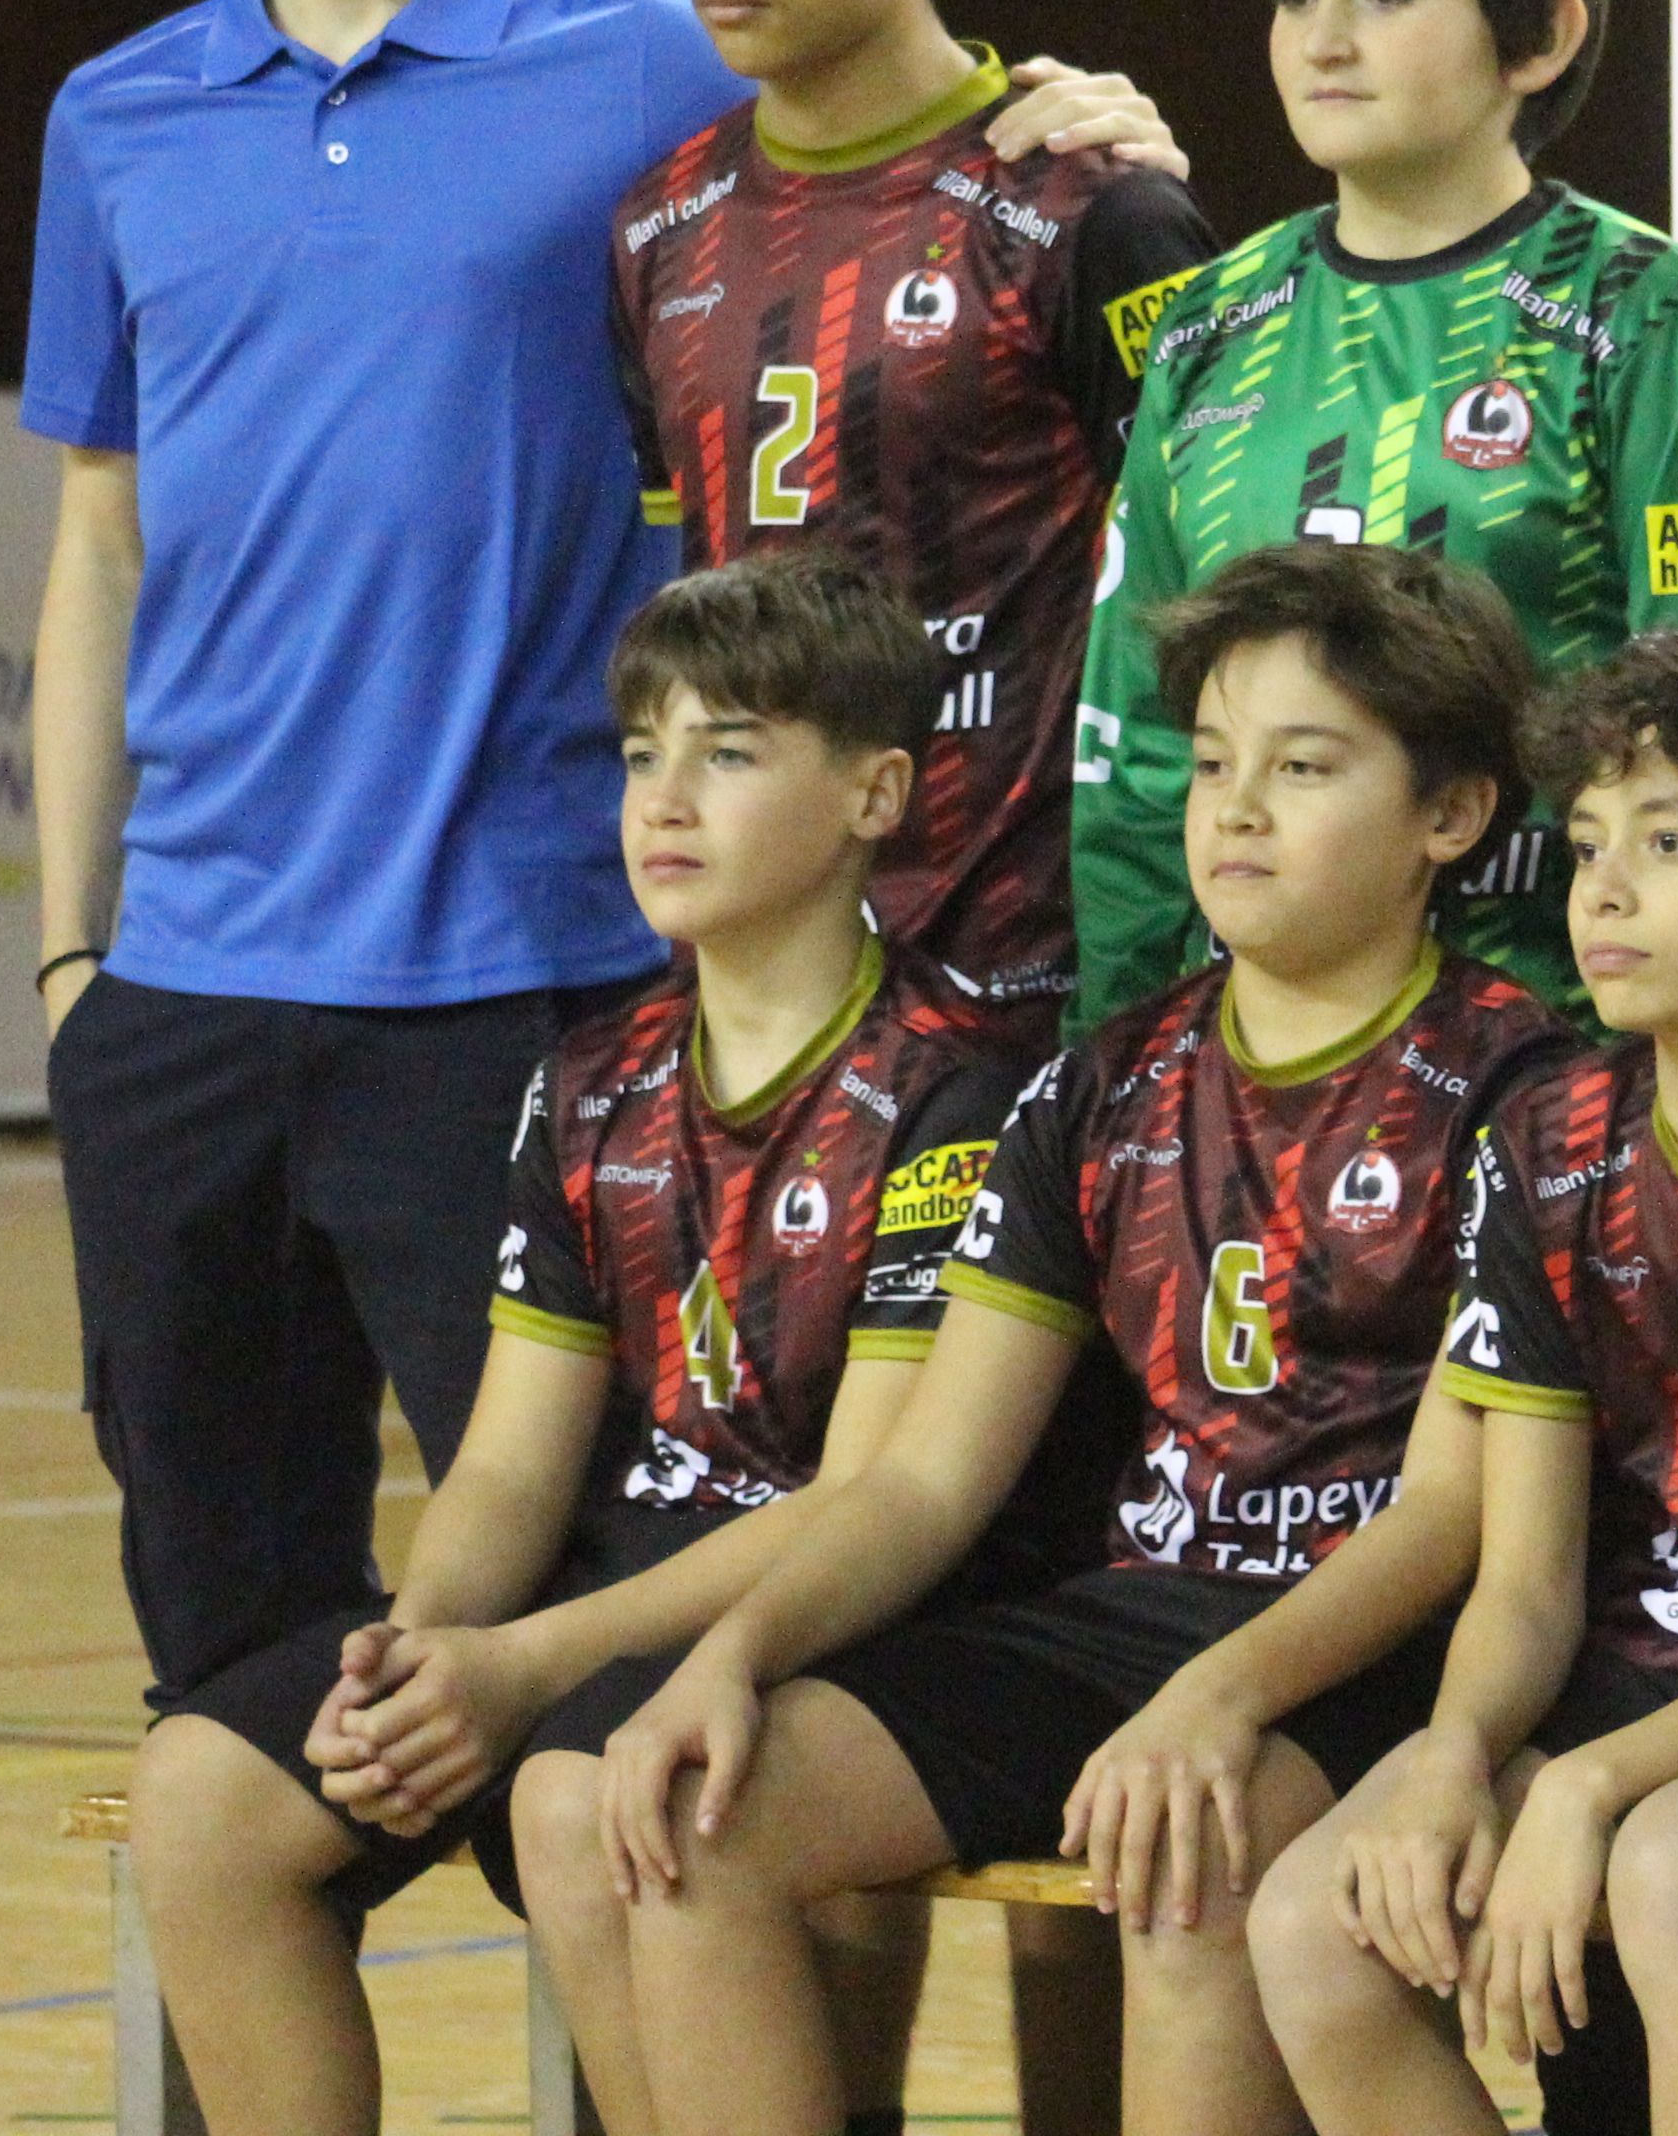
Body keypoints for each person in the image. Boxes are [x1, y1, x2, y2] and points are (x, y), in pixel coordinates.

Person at [28, 0, 1173, 1713]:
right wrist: (76, 956)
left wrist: (1086, 101)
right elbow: (96, 546)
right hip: (178, 997)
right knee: (224, 1695)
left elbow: (894, 72)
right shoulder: (118, 114)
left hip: (522, 987)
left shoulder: (646, 52)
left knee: (570, 1675)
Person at [555, 544, 1563, 2136]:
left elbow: (1451, 1519)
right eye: (1214, 763)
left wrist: (1224, 1696)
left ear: (1450, 816)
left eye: (1303, 768)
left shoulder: (1529, 1093)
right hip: (1132, 1618)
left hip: (1365, 1641)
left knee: (1188, 1866)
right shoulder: (1102, 1082)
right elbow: (924, 1486)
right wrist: (730, 1655)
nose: (1234, 809)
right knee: (693, 1809)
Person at [120, 557, 1057, 2136]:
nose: (665, 798)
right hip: (584, 1620)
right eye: (641, 755)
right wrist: (415, 1660)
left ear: (875, 793)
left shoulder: (961, 1093)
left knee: (600, 1800)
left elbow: (866, 1501)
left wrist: (518, 1670)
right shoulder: (588, 1079)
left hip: (828, 1621)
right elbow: (506, 1460)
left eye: (730, 751)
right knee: (203, 1800)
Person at [1249, 627, 1678, 2136]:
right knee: (1314, 1923)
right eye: (1585, 848)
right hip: (1620, 1676)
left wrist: (1584, 1787)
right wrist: (1458, 1752)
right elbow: (1524, 1576)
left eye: (1672, 842)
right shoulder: (1546, 1143)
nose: (1608, 890)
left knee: (1672, 1873)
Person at [1075, 0, 1678, 1025]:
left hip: (1552, 1048)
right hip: (1245, 1057)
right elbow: (1135, 741)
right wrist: (1119, 1040)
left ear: (1543, 38)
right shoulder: (1208, 324)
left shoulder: (1651, 320)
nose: (1322, 40)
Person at [604, 0, 1220, 1014]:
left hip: (1029, 993)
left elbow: (1202, 608)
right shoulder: (655, 226)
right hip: (753, 998)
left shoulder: (1094, 209)